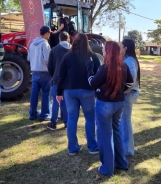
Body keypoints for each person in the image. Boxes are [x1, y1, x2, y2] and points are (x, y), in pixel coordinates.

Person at [86, 41, 133, 176]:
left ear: (108, 51)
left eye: (104, 49)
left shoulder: (104, 67)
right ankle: (121, 163)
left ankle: (107, 168)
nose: (103, 51)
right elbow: (130, 82)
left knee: (105, 136)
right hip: (119, 104)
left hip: (105, 105)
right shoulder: (123, 66)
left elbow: (93, 83)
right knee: (116, 132)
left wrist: (89, 69)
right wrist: (121, 90)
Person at [56, 33, 100, 155]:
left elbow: (61, 75)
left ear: (74, 41)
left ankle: (72, 148)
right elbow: (98, 73)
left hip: (69, 91)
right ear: (87, 42)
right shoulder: (92, 56)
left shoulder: (67, 56)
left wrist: (59, 92)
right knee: (90, 118)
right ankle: (92, 146)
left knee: (71, 119)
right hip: (87, 90)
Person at [119, 39, 140, 157]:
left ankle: (127, 150)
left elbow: (131, 78)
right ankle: (125, 147)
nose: (119, 48)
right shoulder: (127, 59)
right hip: (128, 93)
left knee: (125, 121)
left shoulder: (130, 60)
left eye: (121, 46)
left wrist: (125, 90)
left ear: (126, 48)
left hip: (129, 94)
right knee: (123, 121)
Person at [47, 31, 70, 130]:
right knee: (66, 102)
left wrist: (54, 75)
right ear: (68, 39)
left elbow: (50, 66)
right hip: (69, 81)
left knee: (56, 102)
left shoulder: (54, 50)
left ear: (59, 39)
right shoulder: (73, 50)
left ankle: (53, 123)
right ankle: (66, 122)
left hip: (57, 79)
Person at [28, 26, 52, 121]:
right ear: (46, 33)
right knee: (46, 93)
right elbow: (47, 59)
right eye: (49, 33)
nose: (50, 35)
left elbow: (29, 58)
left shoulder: (32, 44)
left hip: (34, 71)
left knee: (34, 93)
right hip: (44, 72)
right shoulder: (45, 44)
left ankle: (32, 113)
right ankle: (44, 114)